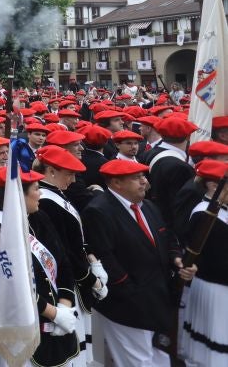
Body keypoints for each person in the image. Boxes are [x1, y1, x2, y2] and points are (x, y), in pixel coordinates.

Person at [82, 159, 197, 367]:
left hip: (157, 298)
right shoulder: (99, 211)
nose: (144, 182)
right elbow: (105, 257)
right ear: (117, 183)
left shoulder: (148, 206)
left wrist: (176, 258)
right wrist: (129, 289)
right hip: (126, 305)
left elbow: (166, 235)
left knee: (160, 355)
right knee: (139, 361)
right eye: (137, 178)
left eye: (143, 176)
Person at [0, 166, 80, 367]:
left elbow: (62, 263)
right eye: (36, 188)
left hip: (57, 327)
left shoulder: (40, 217)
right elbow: (12, 284)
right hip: (24, 332)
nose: (40, 194)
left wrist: (65, 305)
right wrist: (53, 313)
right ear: (18, 194)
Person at [35, 145, 107, 364]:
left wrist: (93, 260)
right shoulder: (46, 201)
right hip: (66, 280)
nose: (73, 180)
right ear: (51, 171)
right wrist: (90, 280)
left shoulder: (57, 195)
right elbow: (62, 250)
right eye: (69, 174)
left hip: (76, 274)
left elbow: (77, 240)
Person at [178, 161, 228, 367]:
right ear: (214, 186)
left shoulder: (219, 210)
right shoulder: (204, 214)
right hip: (214, 288)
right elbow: (217, 260)